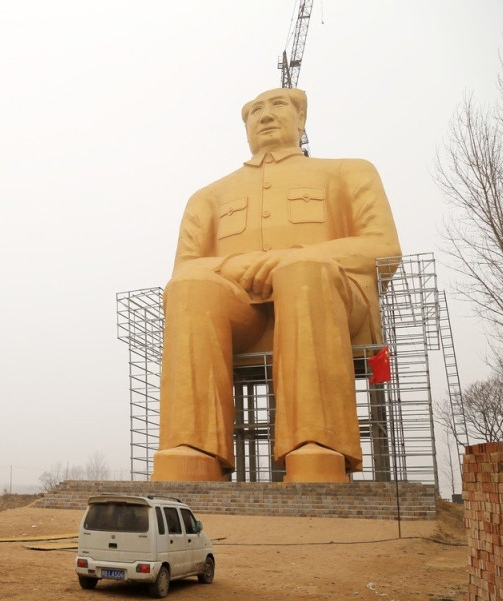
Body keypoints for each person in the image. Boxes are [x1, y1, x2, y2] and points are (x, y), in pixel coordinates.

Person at [154, 87, 401, 484]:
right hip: (244, 316)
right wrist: (238, 265)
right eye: (254, 111)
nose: (264, 115)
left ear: (302, 121)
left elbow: (384, 248)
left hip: (332, 303)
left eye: (277, 105)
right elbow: (183, 269)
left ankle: (317, 445)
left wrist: (295, 258)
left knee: (305, 271)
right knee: (190, 290)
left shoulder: (348, 171)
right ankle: (194, 449)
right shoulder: (208, 197)